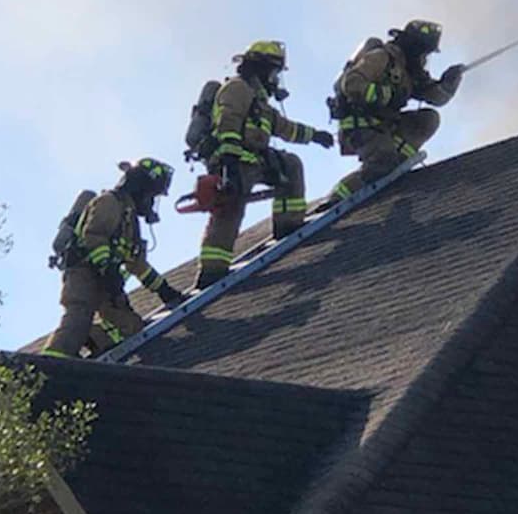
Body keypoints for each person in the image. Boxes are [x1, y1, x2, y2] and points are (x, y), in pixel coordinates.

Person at [195, 40, 334, 288]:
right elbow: (228, 120)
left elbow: (285, 128)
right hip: (233, 160)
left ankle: (288, 224)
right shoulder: (237, 89)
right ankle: (212, 271)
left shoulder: (259, 101)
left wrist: (316, 136)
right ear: (259, 68)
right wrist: (229, 163)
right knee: (230, 209)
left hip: (255, 159)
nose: (275, 78)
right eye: (273, 72)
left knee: (291, 165)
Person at [42, 158, 185, 358]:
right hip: (83, 272)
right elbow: (93, 236)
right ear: (140, 188)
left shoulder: (130, 220)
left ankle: (94, 340)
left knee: (131, 327)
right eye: (151, 195)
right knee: (79, 315)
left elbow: (136, 263)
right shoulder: (109, 202)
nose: (151, 202)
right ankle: (47, 369)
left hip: (107, 281)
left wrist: (163, 289)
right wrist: (108, 268)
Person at [323, 20, 464, 206]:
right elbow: (351, 84)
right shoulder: (381, 58)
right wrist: (387, 95)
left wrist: (448, 84)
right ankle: (336, 198)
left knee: (428, 119)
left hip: (384, 125)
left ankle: (397, 160)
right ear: (414, 48)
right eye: (424, 53)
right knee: (382, 164)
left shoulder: (409, 71)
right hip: (360, 125)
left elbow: (434, 98)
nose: (424, 59)